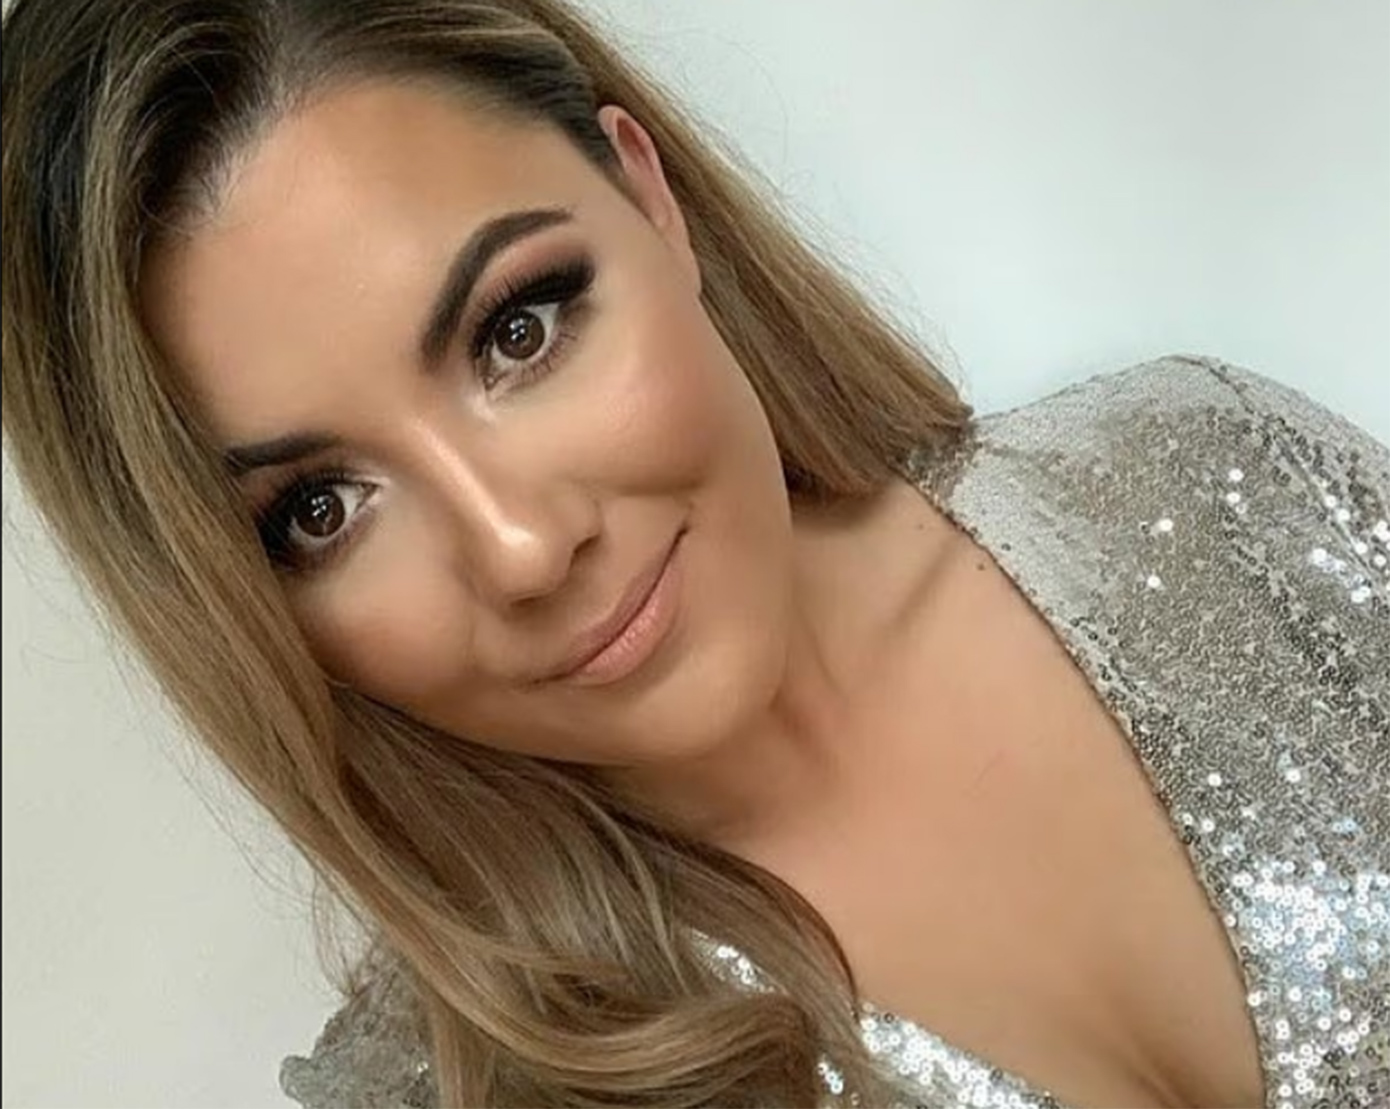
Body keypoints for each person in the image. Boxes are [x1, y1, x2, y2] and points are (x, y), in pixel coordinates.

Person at [2, 0, 1385, 1105]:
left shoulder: (1213, 483)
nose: (521, 546)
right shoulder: (461, 1086)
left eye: (517, 329)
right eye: (319, 507)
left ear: (649, 198)